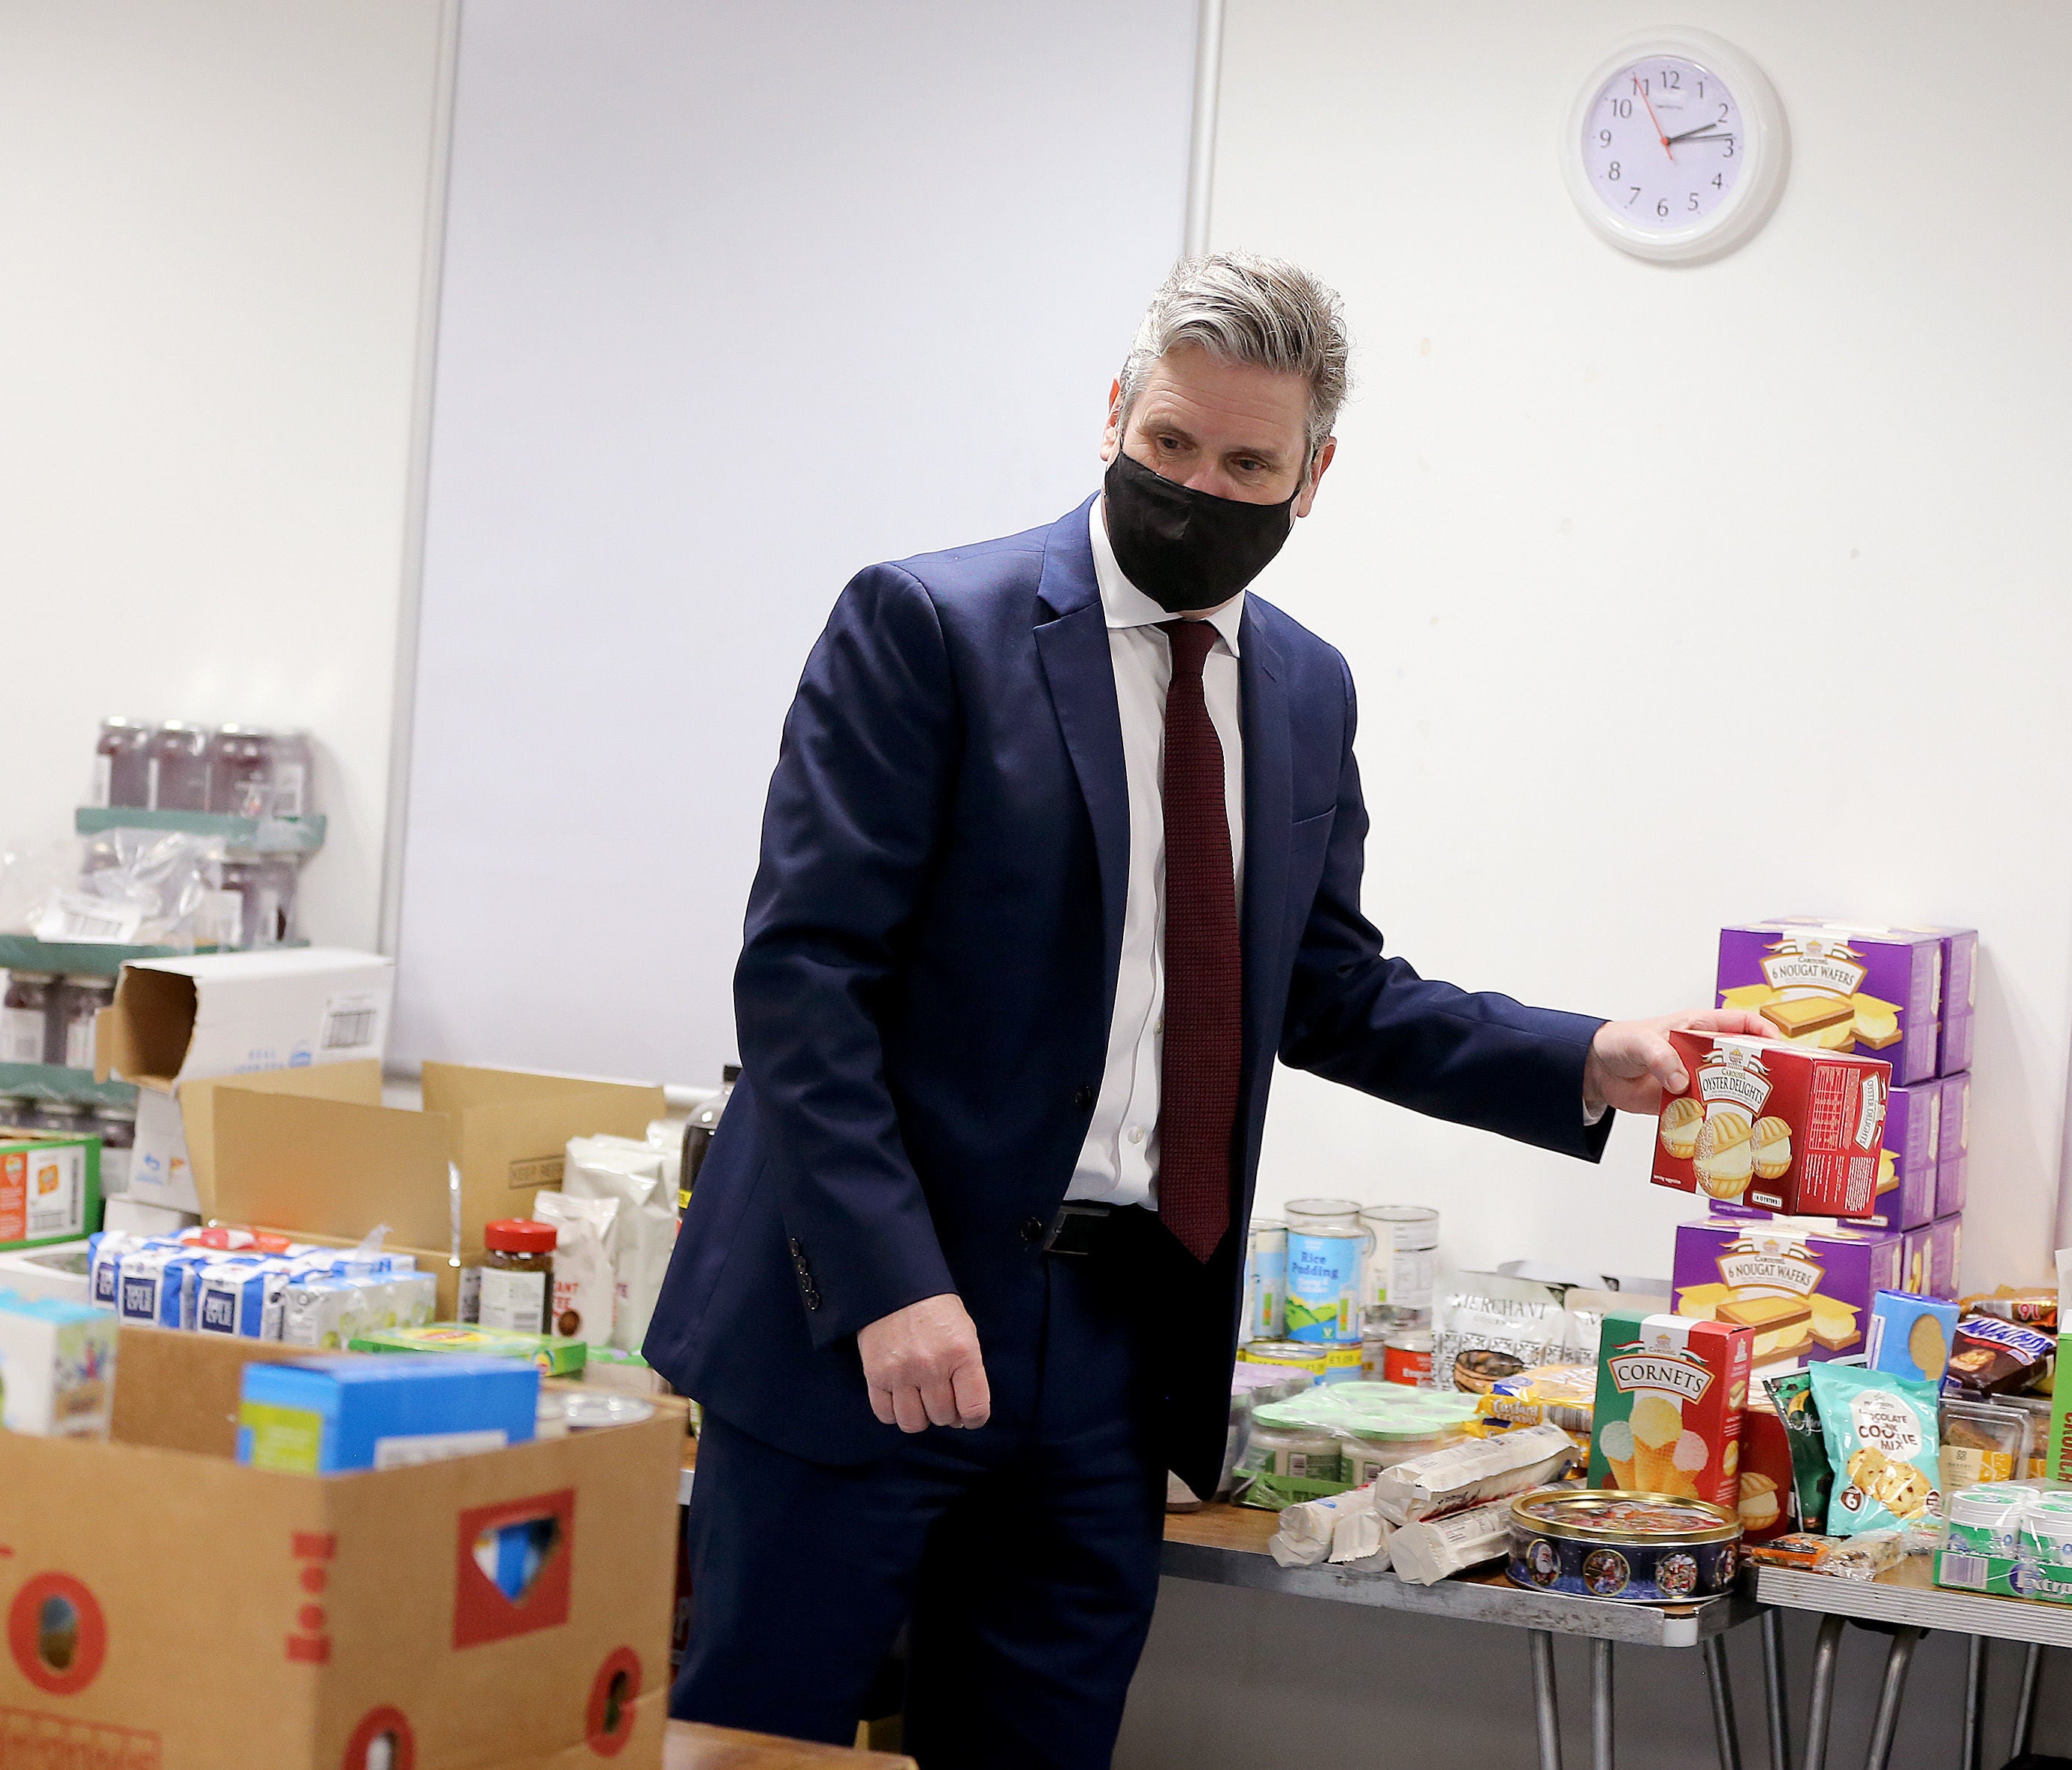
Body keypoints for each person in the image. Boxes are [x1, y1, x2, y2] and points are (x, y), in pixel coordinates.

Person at [646, 252, 1767, 1765]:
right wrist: (891, 1280)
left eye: (1245, 460)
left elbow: (1327, 988)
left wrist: (1581, 1058)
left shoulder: (1302, 689)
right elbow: (802, 980)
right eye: (1170, 442)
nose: (1197, 482)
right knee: (755, 1749)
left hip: (1115, 1345)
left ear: (1312, 476)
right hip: (869, 1322)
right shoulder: (926, 625)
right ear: (1113, 412)